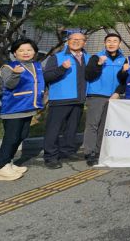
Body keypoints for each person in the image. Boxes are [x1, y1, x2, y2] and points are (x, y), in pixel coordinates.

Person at [0, 39, 45, 180]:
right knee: (11, 138)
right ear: (15, 53)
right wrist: (16, 73)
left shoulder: (36, 65)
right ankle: (2, 167)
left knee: (21, 136)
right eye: (21, 50)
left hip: (28, 108)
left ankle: (9, 162)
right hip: (14, 109)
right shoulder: (8, 67)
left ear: (34, 52)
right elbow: (9, 85)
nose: (25, 53)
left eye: (29, 50)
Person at [43, 32, 90, 169]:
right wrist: (62, 68)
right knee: (54, 129)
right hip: (60, 99)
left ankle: (67, 151)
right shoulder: (57, 57)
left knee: (72, 128)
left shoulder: (87, 57)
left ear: (84, 42)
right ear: (67, 41)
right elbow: (47, 77)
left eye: (80, 39)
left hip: (79, 99)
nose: (76, 41)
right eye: (73, 39)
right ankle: (50, 156)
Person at [83, 33, 126, 166]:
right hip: (97, 95)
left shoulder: (124, 60)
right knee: (92, 125)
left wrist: (118, 92)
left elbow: (124, 80)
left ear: (119, 44)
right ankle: (89, 153)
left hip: (113, 97)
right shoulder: (96, 57)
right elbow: (88, 75)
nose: (111, 43)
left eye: (115, 41)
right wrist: (99, 64)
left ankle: (99, 151)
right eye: (109, 41)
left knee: (104, 126)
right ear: (104, 43)